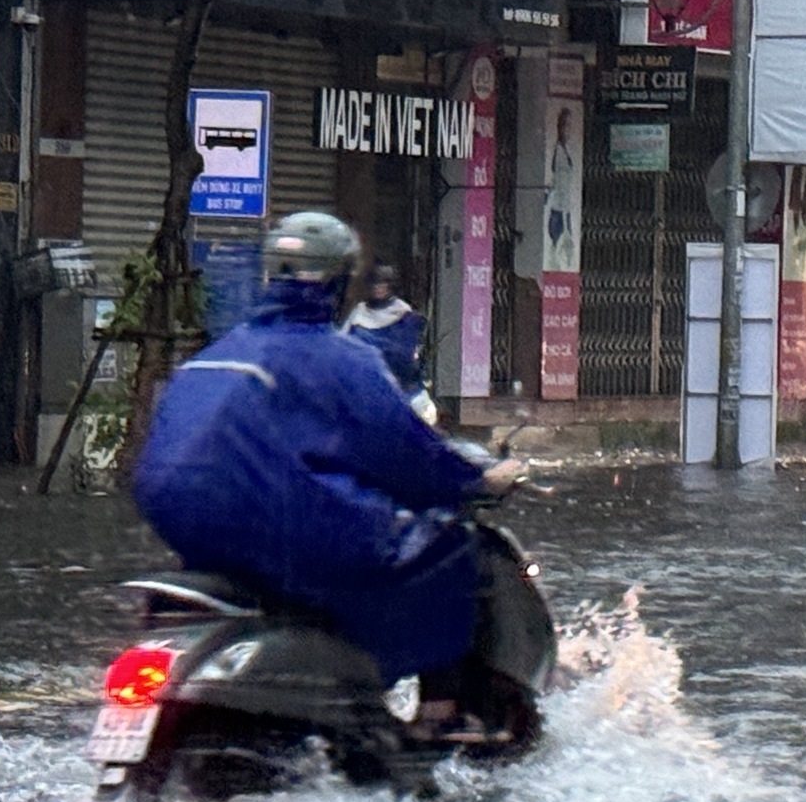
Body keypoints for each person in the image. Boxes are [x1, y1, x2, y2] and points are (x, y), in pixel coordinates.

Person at [133, 211, 522, 735]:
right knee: (448, 547)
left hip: (188, 533)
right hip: (287, 526)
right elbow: (408, 455)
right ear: (341, 281)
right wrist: (476, 481)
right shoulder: (342, 360)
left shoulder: (214, 357)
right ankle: (440, 718)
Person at [344, 262, 437, 424]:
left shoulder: (404, 314)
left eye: (383, 284)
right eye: (375, 283)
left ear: (391, 286)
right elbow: (344, 346)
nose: (378, 288)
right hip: (365, 389)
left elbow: (407, 354)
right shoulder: (359, 312)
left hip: (403, 388)